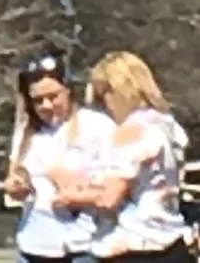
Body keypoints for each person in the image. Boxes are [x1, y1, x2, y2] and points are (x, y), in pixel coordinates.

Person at [71, 54, 188, 259]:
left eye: (103, 95)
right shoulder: (167, 124)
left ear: (117, 90)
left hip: (135, 247)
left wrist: (71, 196)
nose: (104, 105)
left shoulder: (131, 132)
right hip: (171, 241)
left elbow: (110, 198)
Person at [6, 50, 103, 261]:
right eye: (38, 100)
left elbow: (117, 188)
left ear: (67, 90)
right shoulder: (27, 132)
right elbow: (15, 175)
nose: (46, 105)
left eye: (53, 96)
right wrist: (17, 186)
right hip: (34, 243)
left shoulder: (96, 126)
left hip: (83, 244)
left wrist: (77, 192)